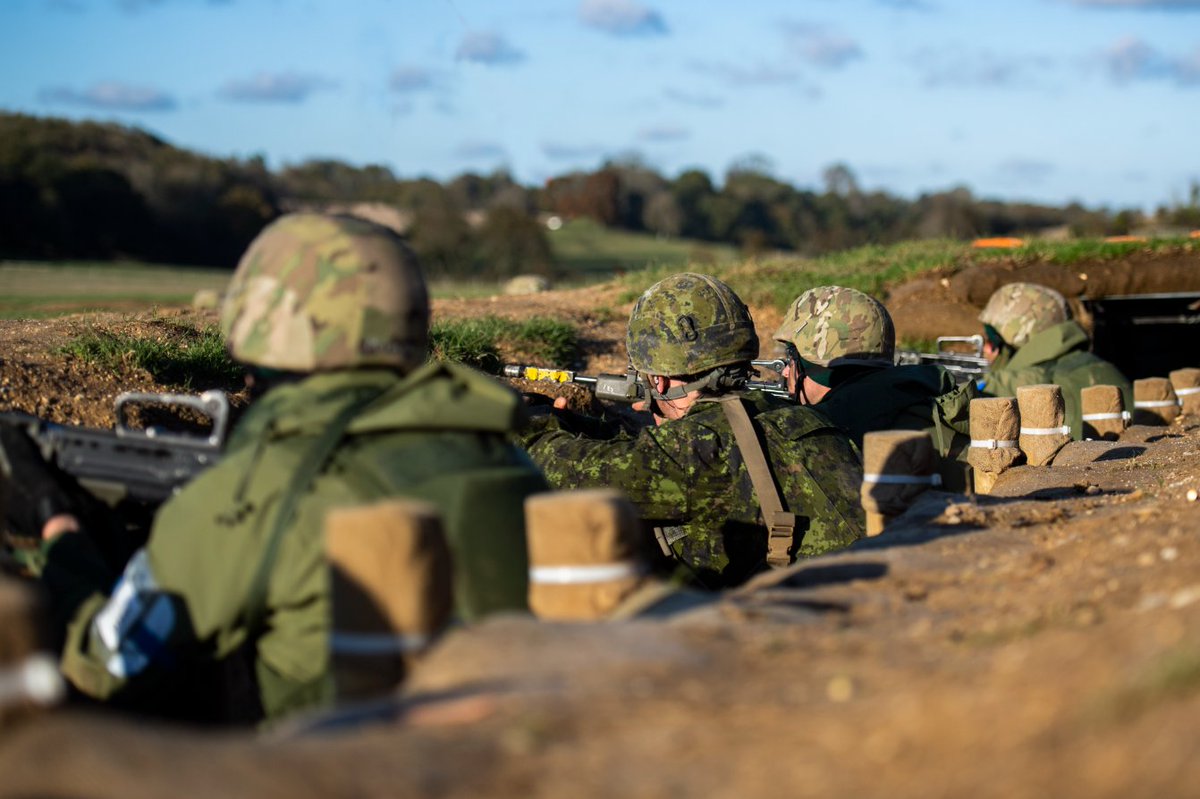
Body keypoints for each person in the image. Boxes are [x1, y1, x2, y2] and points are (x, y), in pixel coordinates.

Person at [0, 212, 547, 724]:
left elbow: (102, 665)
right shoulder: (501, 457)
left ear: (265, 322)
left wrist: (59, 529)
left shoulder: (262, 488)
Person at [517, 272, 865, 589]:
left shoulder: (698, 448)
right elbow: (668, 455)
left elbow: (561, 471)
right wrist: (585, 426)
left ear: (659, 379)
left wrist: (528, 420)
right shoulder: (804, 419)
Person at [772, 286, 977, 488]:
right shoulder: (920, 405)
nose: (786, 372)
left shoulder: (843, 439)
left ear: (813, 365)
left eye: (791, 357)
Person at [978, 282, 1131, 438]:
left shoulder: (1029, 383)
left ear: (1017, 342)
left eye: (992, 340)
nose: (985, 349)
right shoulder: (1101, 367)